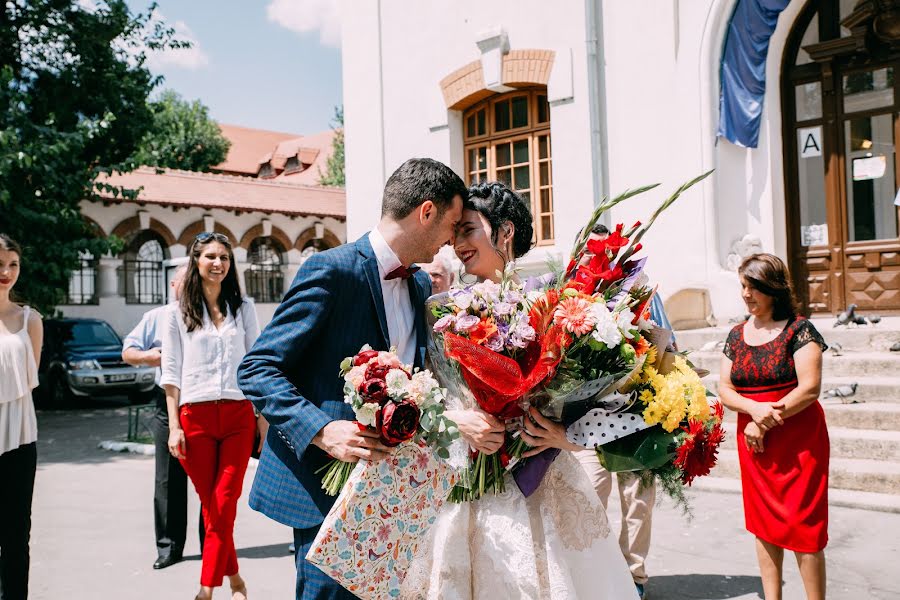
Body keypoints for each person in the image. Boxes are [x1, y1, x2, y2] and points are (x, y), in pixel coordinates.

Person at [237, 158, 466, 600]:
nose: (451, 240)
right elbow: (257, 367)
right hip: (325, 487)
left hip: (391, 493)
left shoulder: (419, 286)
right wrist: (322, 430)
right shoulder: (332, 270)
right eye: (452, 224)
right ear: (426, 212)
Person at [402, 182, 638, 599]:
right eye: (455, 235)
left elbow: (612, 394)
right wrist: (458, 421)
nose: (458, 245)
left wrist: (568, 436)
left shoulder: (555, 303)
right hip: (467, 473)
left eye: (469, 230)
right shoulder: (440, 309)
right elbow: (429, 390)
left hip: (541, 475)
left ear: (505, 231)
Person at [572, 222, 673, 600]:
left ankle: (635, 576)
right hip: (586, 420)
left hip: (636, 415)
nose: (596, 259)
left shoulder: (643, 289)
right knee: (587, 498)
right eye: (590, 252)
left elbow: (667, 343)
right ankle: (594, 575)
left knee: (637, 503)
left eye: (604, 252)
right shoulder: (574, 294)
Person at [161, 232, 265, 600]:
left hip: (238, 415)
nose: (218, 263)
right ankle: (235, 580)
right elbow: (170, 372)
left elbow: (256, 363)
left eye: (224, 257)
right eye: (210, 257)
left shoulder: (244, 308)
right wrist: (173, 427)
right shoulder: (176, 313)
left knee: (223, 502)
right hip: (195, 417)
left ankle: (205, 590)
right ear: (196, 262)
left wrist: (262, 421)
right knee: (214, 507)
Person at [718, 253, 828, 600]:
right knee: (763, 525)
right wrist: (753, 412)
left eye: (754, 287)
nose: (746, 294)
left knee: (804, 526)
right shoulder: (736, 335)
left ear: (774, 290)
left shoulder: (800, 330)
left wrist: (762, 422)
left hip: (798, 439)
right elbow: (724, 389)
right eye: (743, 286)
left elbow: (809, 388)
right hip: (754, 441)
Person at [122, 265, 210, 570]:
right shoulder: (157, 317)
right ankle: (169, 547)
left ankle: (211, 545)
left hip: (203, 401)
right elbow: (129, 351)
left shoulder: (211, 313)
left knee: (208, 479)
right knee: (168, 478)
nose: (188, 286)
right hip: (166, 404)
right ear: (173, 284)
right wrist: (158, 356)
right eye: (183, 281)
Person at [0, 234, 41, 600]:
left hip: (19, 436)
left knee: (15, 534)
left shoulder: (30, 319)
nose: (6, 271)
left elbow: (30, 382)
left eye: (13, 264)